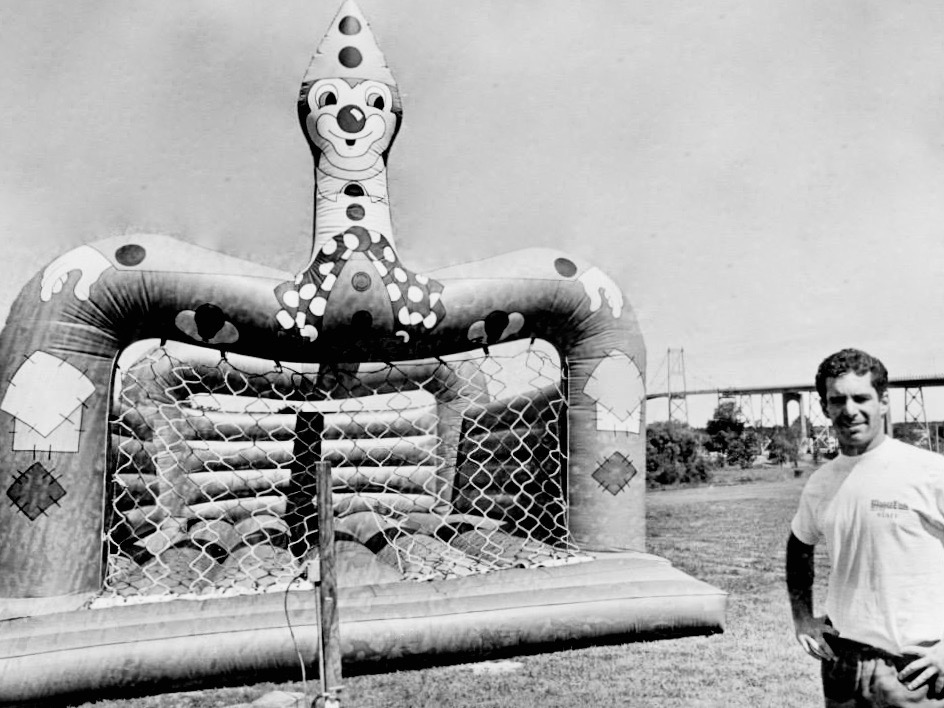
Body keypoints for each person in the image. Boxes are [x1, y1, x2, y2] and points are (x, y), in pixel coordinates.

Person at [786, 348, 944, 707]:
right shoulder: (822, 482)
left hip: (914, 666)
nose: (849, 410)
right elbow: (799, 544)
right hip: (843, 663)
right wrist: (802, 619)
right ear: (825, 407)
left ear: (883, 401)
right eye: (837, 400)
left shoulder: (930, 472)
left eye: (861, 397)